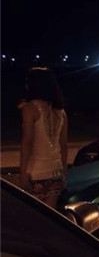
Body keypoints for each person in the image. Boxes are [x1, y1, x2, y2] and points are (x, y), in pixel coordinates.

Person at [18, 66, 68, 209]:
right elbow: (63, 144)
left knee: (33, 215)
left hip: (36, 171)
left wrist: (22, 172)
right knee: (49, 215)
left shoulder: (30, 109)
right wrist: (64, 170)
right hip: (56, 171)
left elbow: (27, 142)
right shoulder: (60, 111)